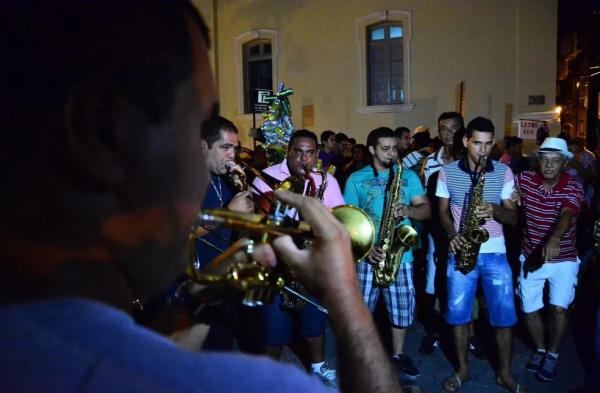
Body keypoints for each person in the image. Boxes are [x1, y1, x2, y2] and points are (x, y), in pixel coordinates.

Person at [0, 3, 403, 393]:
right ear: (100, 131)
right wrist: (348, 304)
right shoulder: (260, 384)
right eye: (195, 122)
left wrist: (204, 294)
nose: (205, 165)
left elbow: (151, 354)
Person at [251, 129, 344, 388]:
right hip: (276, 261)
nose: (304, 159)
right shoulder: (266, 177)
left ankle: (318, 367)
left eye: (310, 153)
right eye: (298, 152)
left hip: (311, 260)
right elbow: (258, 225)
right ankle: (267, 376)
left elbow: (337, 219)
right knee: (273, 324)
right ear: (288, 151)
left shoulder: (327, 181)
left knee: (314, 318)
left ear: (316, 154)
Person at [436, 117, 523, 392]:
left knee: (504, 317)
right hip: (462, 250)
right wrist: (452, 236)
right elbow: (442, 213)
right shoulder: (447, 173)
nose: (483, 151)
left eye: (488, 144)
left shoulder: (504, 172)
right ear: (465, 141)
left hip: (495, 252)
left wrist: (495, 209)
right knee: (459, 316)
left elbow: (512, 218)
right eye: (477, 144)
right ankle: (462, 369)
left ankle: (504, 374)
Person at [344, 127, 431, 382]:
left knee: (402, 310)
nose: (393, 153)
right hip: (368, 254)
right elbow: (348, 222)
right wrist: (365, 248)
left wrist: (409, 211)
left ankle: (398, 354)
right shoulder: (356, 179)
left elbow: (426, 210)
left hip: (400, 255)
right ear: (371, 149)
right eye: (386, 149)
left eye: (395, 148)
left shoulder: (407, 176)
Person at [515, 137, 584, 382]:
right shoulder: (524, 180)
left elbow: (567, 213)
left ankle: (553, 354)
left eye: (555, 161)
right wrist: (511, 197)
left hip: (563, 258)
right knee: (529, 309)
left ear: (564, 163)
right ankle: (541, 349)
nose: (549, 165)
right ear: (538, 160)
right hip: (531, 255)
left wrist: (554, 239)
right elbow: (508, 191)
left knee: (558, 309)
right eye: (545, 160)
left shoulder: (573, 185)